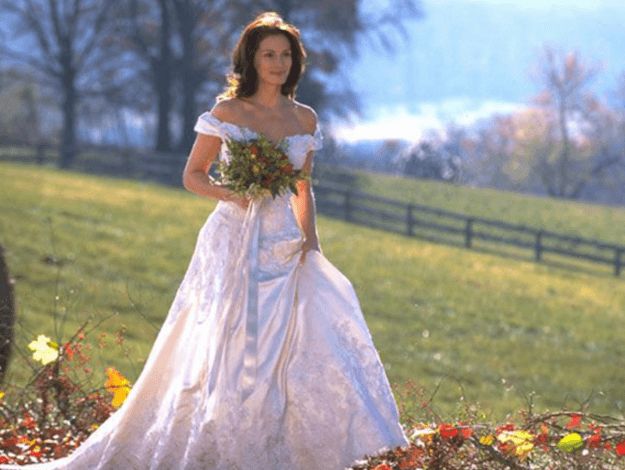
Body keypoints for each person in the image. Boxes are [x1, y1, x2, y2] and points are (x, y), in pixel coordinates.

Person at [0, 11, 410, 470]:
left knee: (290, 341)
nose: (277, 62)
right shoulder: (227, 114)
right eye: (268, 54)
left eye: (285, 55)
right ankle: (219, 437)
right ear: (251, 60)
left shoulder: (304, 118)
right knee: (229, 337)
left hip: (283, 243)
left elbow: (302, 186)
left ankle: (278, 442)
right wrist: (229, 193)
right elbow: (192, 176)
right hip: (232, 239)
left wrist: (310, 242)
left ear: (295, 62)